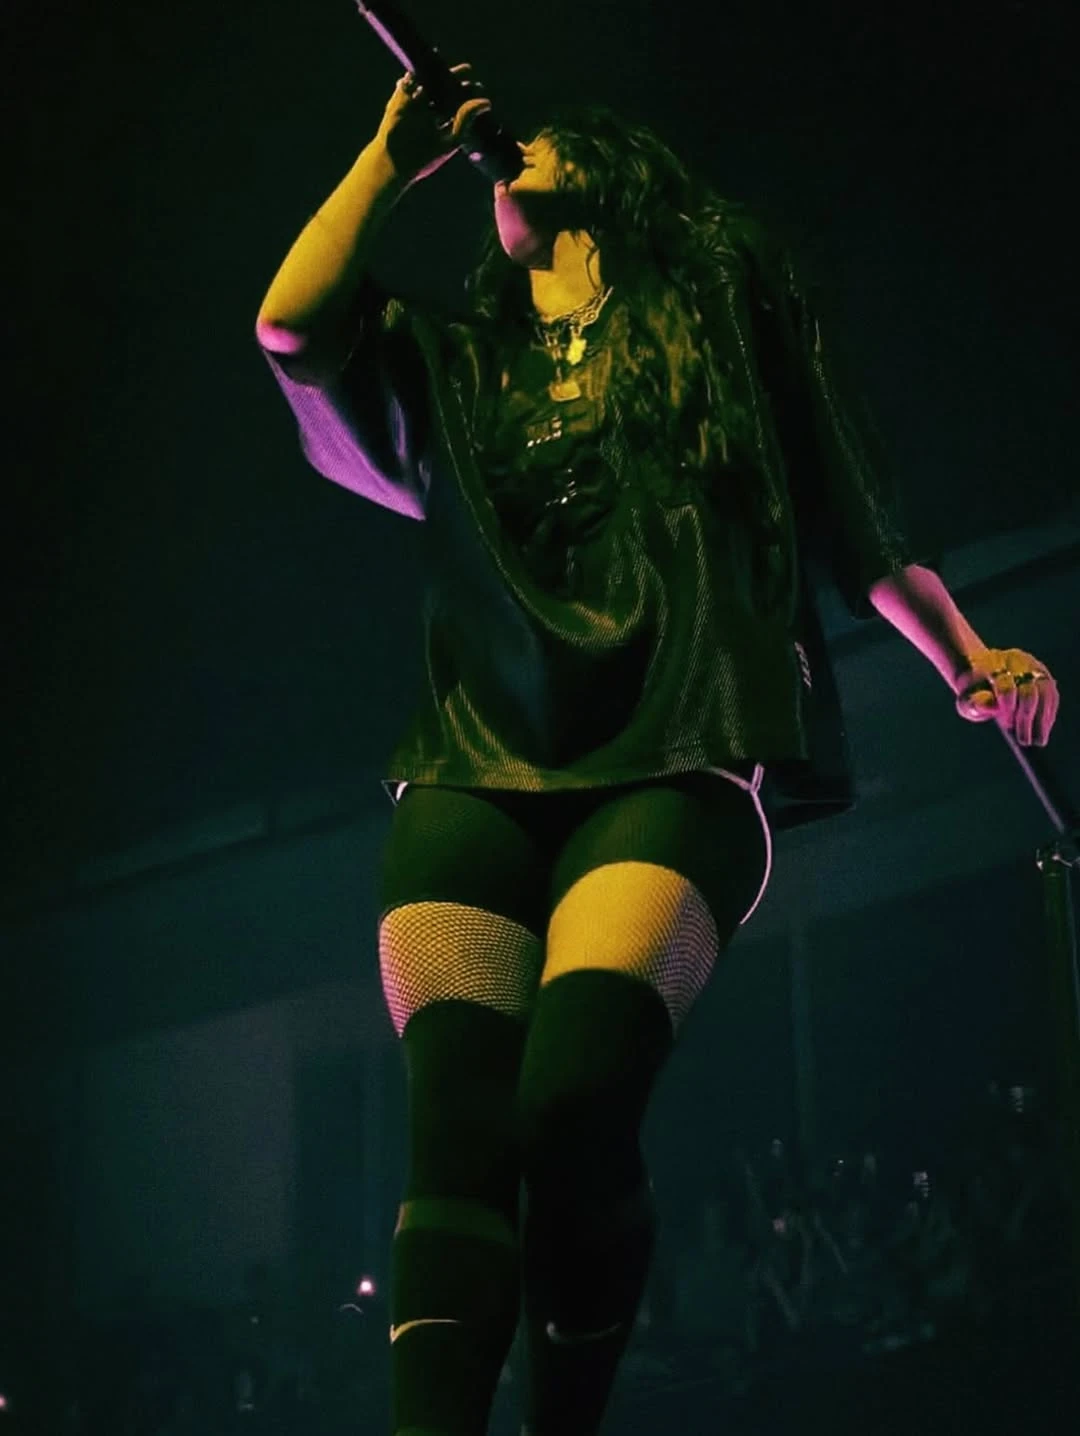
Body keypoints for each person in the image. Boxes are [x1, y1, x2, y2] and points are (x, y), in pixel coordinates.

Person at [254, 64, 1060, 1436]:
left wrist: (971, 655)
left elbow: (854, 514)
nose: (517, 149)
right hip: (476, 766)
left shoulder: (725, 298)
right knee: (457, 1127)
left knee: (571, 1101)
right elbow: (290, 325)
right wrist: (390, 158)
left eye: (548, 138)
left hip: (677, 751)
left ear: (619, 175)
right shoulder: (464, 362)